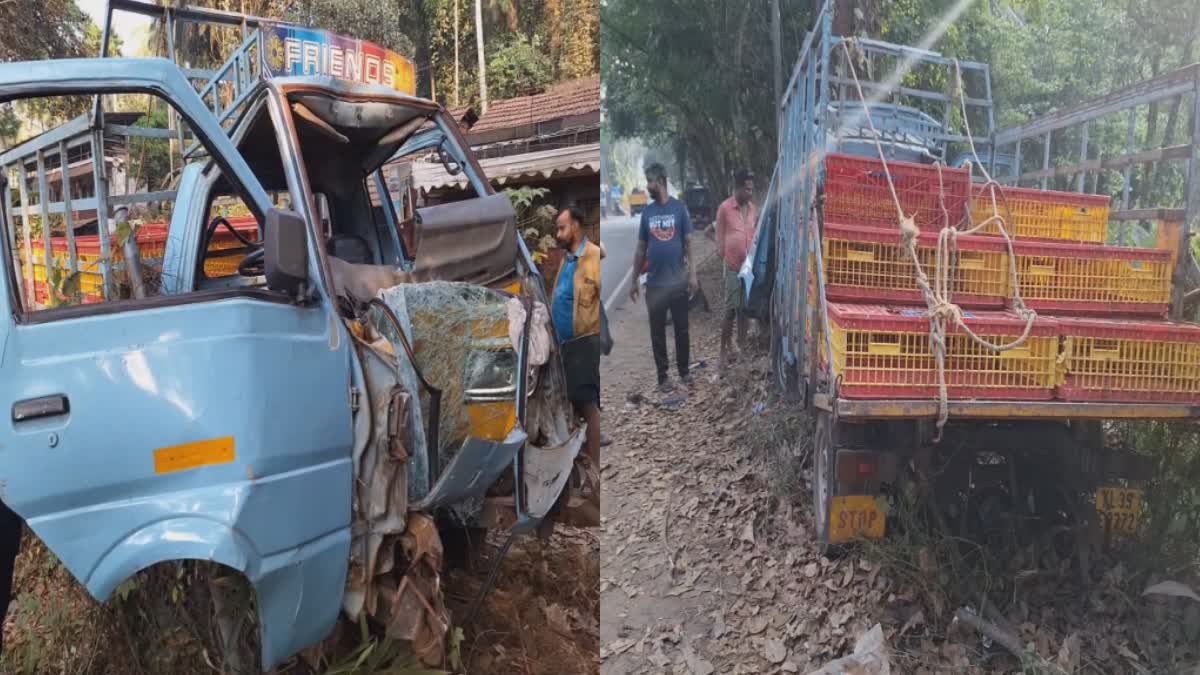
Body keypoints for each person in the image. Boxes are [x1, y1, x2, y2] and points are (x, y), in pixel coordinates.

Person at [629, 163, 698, 392]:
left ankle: (684, 373)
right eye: (647, 181)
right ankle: (663, 378)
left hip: (678, 282)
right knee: (657, 332)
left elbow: (688, 243)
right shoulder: (647, 213)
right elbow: (640, 249)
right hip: (655, 285)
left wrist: (693, 275)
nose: (647, 186)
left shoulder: (679, 208)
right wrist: (633, 281)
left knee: (682, 329)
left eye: (650, 181)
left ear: (661, 180)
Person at [550, 206, 603, 469]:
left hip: (583, 343)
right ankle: (585, 454)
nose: (558, 234)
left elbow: (598, 302)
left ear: (576, 227)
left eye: (562, 227)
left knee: (588, 406)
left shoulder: (592, 257)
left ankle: (594, 469)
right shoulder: (568, 259)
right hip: (566, 346)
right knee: (575, 403)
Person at [714, 169, 757, 374]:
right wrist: (726, 256)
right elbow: (719, 237)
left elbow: (754, 235)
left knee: (745, 310)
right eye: (747, 189)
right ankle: (723, 351)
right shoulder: (725, 208)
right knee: (731, 308)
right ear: (739, 188)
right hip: (732, 266)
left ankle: (741, 348)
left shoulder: (753, 209)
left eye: (751, 189)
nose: (750, 192)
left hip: (747, 268)